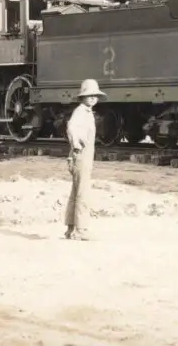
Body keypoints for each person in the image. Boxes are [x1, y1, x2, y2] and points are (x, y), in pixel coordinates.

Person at [64, 78, 104, 240]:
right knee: (83, 192)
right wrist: (76, 143)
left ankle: (70, 228)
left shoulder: (85, 112)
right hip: (81, 155)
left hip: (82, 155)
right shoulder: (80, 112)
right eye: (89, 95)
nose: (93, 98)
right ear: (82, 97)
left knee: (76, 191)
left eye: (95, 95)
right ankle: (81, 230)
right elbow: (71, 127)